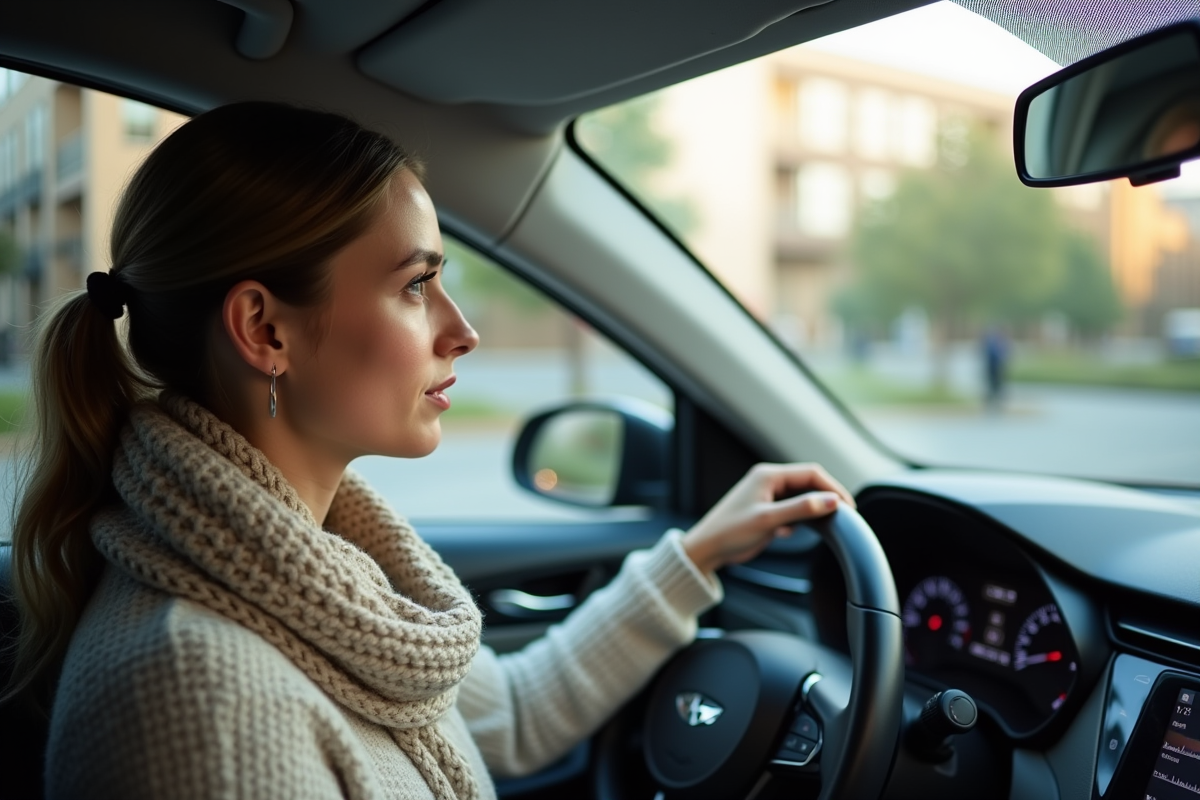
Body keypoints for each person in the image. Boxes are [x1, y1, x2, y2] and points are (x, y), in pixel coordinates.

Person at [4, 102, 853, 800]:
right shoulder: (206, 711)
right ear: (265, 329)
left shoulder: (311, 565)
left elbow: (508, 717)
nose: (464, 331)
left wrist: (699, 552)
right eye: (416, 286)